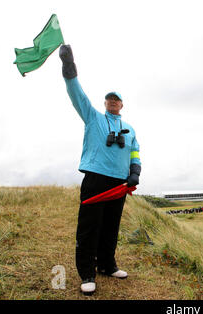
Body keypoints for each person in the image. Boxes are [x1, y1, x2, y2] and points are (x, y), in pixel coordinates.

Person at [59, 44, 142, 295]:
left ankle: (107, 265)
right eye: (109, 99)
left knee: (110, 227)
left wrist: (135, 172)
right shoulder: (93, 117)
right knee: (89, 228)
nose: (113, 101)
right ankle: (87, 273)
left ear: (122, 105)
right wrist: (68, 66)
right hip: (95, 179)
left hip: (119, 183)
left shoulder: (130, 128)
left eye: (117, 99)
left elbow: (135, 151)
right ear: (105, 103)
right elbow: (77, 94)